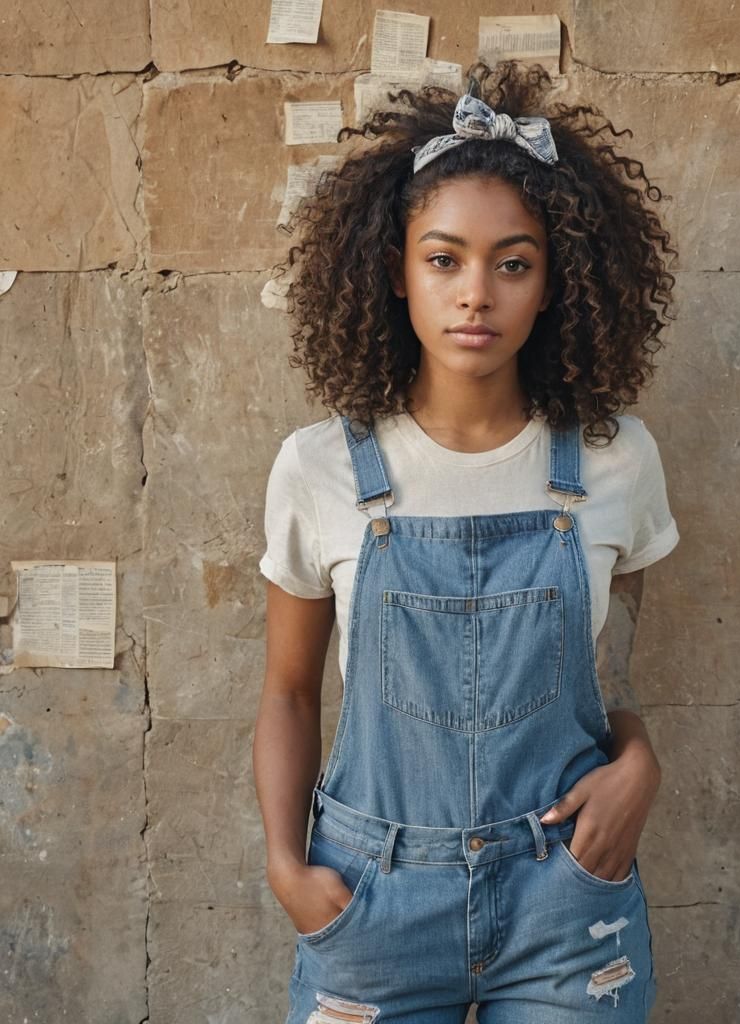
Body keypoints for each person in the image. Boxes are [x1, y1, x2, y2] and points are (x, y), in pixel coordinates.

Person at [253, 60, 680, 1024]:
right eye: (443, 259)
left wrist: (640, 765)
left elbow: (613, 683)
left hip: (567, 902)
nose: (475, 293)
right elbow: (285, 690)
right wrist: (288, 866)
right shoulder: (321, 468)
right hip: (372, 900)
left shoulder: (616, 463)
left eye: (513, 262)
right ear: (394, 275)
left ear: (553, 284)